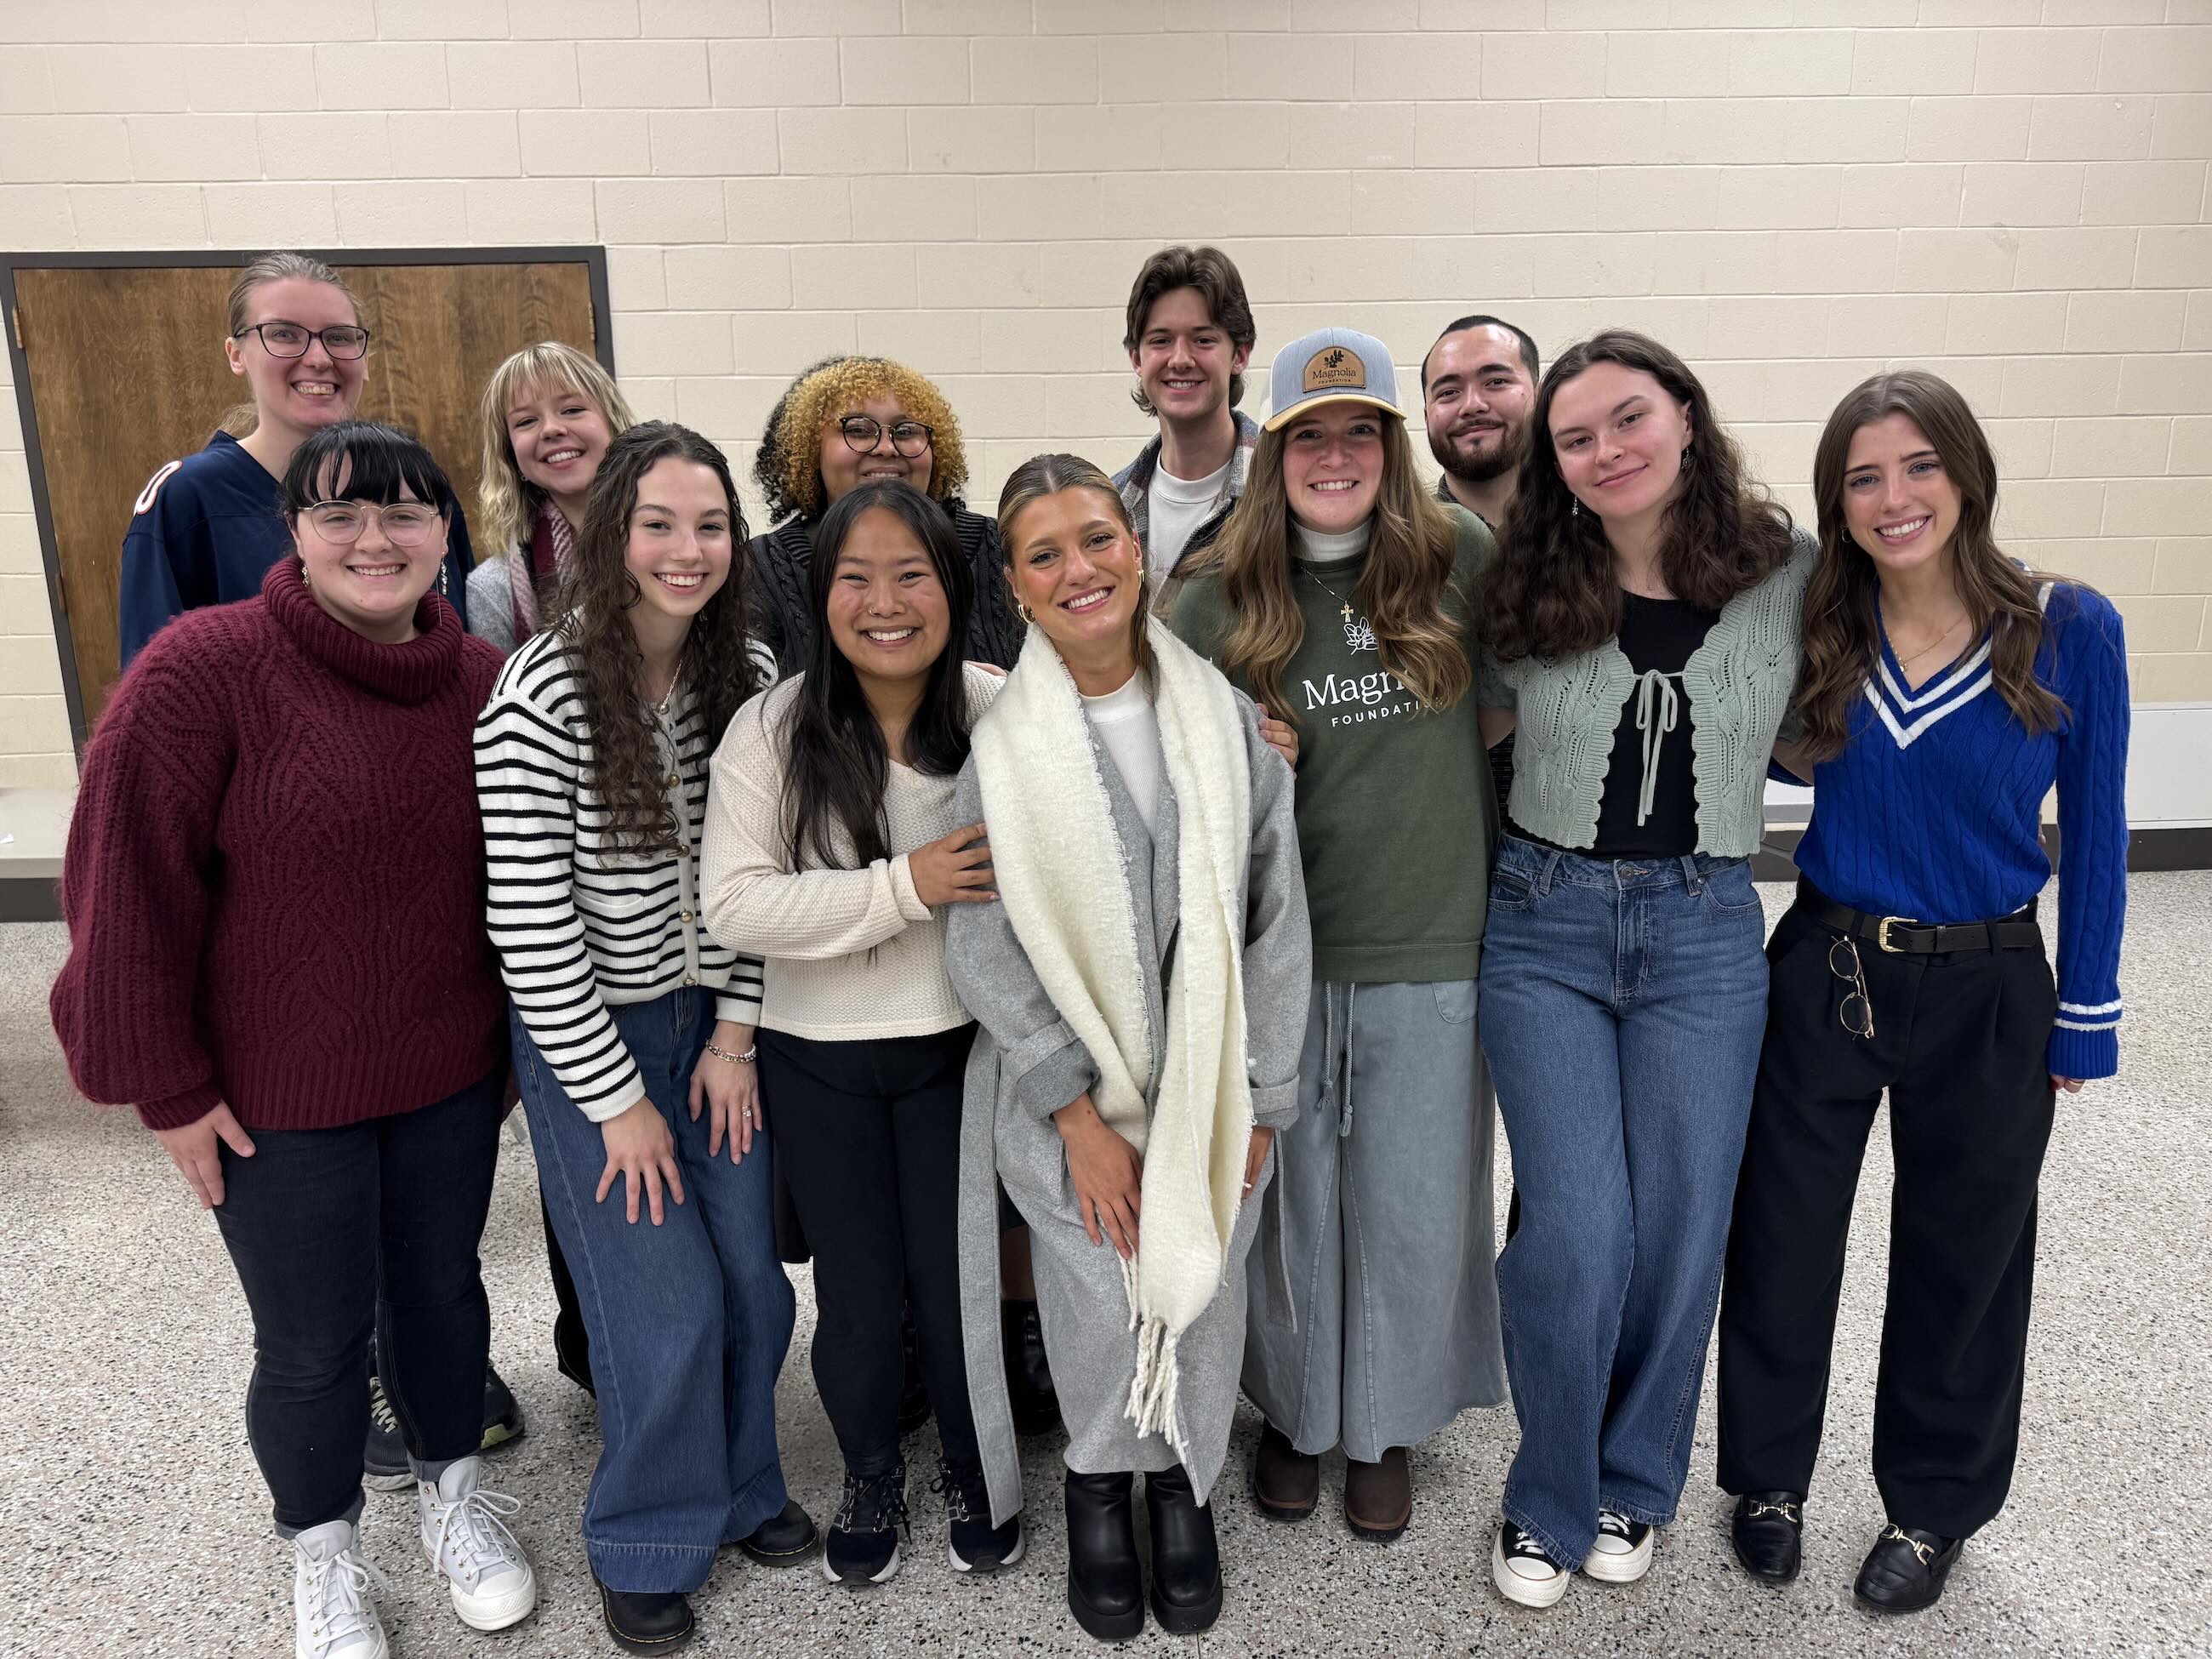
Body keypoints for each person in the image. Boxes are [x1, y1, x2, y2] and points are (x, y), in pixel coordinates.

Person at [53, 421, 536, 1659]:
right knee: (315, 1336)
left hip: (443, 1072)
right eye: (339, 514)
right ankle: (321, 1553)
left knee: (441, 1298)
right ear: (297, 533)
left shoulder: (484, 681)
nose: (374, 538)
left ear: (446, 532)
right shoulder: (204, 669)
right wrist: (162, 1083)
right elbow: (126, 884)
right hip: (278, 1092)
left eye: (405, 513)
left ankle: (456, 1500)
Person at [1715, 370, 2129, 1614]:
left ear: (1967, 472)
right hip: (1830, 962)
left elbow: (2099, 833)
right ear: (1837, 504)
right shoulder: (1822, 632)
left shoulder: (2068, 624)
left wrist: (2088, 1013)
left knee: (1968, 1253)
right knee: (1783, 1235)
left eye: (1919, 466)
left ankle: (1933, 1502)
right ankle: (1768, 1478)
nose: (1895, 497)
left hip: (1993, 980)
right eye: (1863, 477)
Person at [1474, 329, 1816, 1609]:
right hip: (1544, 920)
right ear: (1554, 463)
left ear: (1685, 414)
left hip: (1706, 927)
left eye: (1629, 419)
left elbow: (1896, 630)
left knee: (1679, 1225)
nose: (1606, 451)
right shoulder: (1530, 578)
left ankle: (1635, 1479)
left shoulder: (1788, 569)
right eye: (1575, 437)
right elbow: (1475, 727)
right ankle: (1546, 1488)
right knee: (1577, 1228)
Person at [946, 453, 1311, 1642]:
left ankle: (1184, 1486)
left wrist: (1260, 1099)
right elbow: (982, 941)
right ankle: (1102, 1483)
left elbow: (1274, 918)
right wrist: (1073, 1112)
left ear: (1138, 547)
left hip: (1212, 1087)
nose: (1079, 568)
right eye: (1044, 553)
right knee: (1100, 1298)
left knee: (1200, 1297)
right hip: (1071, 1104)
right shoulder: (1001, 749)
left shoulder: (1224, 723)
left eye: (1098, 539)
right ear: (1015, 583)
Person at [476, 422, 812, 1656]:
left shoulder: (751, 671)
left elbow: (751, 875)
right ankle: (645, 1534)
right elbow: (529, 919)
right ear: (609, 533)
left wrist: (732, 1032)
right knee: (657, 1296)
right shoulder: (542, 691)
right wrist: (617, 1097)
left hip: (714, 1024)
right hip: (591, 1039)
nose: (688, 548)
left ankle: (742, 1491)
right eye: (659, 523)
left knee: (750, 1282)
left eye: (711, 524)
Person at [1168, 328, 1508, 1546]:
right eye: (1309, 434)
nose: (1335, 455)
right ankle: (1301, 1416)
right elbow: (1155, 759)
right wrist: (1233, 760)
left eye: (1359, 430)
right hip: (1282, 953)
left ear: (1391, 444)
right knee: (1290, 1200)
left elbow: (1530, 698)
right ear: (1274, 451)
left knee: (1417, 1202)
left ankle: (1386, 1427)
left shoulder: (1457, 555)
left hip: (1431, 931)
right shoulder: (1217, 587)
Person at [699, 479, 1023, 1587]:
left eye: (912, 574)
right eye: (856, 577)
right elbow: (734, 904)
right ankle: (871, 1470)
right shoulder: (772, 724)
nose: (885, 602)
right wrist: (906, 887)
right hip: (818, 1059)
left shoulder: (999, 705)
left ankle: (980, 1469)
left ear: (953, 586)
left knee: (954, 1282)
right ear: (818, 592)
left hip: (960, 1052)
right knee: (856, 1287)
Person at [120, 250, 474, 667]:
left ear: (365, 360)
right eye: (285, 334)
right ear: (236, 354)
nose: (320, 358)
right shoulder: (188, 499)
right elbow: (156, 692)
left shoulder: (416, 489)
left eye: (340, 337)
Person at [749, 354, 1023, 676]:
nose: (886, 447)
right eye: (860, 430)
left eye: (906, 431)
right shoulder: (759, 569)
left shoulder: (1002, 548)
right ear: (810, 448)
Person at [1422, 312, 1542, 927]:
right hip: (1441, 883)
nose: (1472, 404)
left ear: (1538, 395)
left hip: (1575, 888)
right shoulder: (1393, 554)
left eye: (1496, 381)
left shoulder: (1598, 539)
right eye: (1447, 391)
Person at [1110, 245, 1260, 613]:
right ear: (1137, 358)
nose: (1180, 359)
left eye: (1203, 339)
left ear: (1239, 354)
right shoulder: (1110, 504)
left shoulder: (1281, 489)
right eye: (1161, 340)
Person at [468, 339, 637, 657]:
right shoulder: (493, 589)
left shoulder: (678, 540)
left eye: (572, 410)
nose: (551, 429)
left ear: (613, 422)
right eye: (526, 421)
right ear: (510, 452)